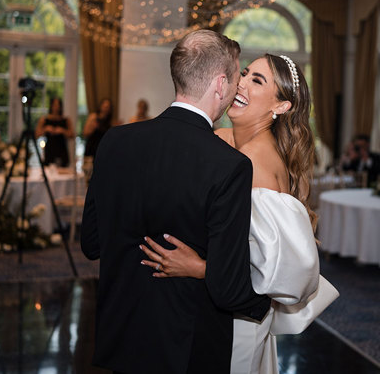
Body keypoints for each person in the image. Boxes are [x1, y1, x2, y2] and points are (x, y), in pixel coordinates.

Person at [81, 30, 272, 373]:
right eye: (236, 77)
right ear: (219, 84)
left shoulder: (114, 141)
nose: (236, 89)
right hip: (187, 349)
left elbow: (92, 243)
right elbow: (228, 287)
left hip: (120, 336)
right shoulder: (228, 166)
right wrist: (264, 303)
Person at [139, 54, 337, 374]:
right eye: (244, 73)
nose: (241, 82)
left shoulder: (258, 164)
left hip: (238, 325)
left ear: (281, 106)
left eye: (257, 81)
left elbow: (281, 272)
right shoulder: (223, 140)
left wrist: (201, 268)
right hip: (207, 309)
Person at [82, 98, 115, 180]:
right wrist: (93, 127)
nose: (106, 108)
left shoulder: (110, 121)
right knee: (88, 176)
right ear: (100, 106)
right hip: (91, 149)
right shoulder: (93, 117)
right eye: (104, 106)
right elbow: (85, 133)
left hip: (103, 151)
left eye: (108, 107)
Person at [35, 97, 73, 167]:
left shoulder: (66, 120)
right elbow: (36, 134)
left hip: (62, 150)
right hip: (50, 150)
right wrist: (45, 129)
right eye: (55, 105)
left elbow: (72, 135)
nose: (56, 107)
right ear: (51, 106)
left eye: (58, 105)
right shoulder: (44, 119)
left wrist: (62, 131)